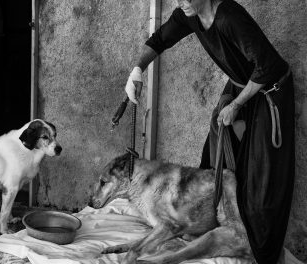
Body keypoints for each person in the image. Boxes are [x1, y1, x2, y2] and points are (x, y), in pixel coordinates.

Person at [124, 0, 295, 263]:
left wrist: (237, 105)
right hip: (240, 88)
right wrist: (136, 71)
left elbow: (268, 66)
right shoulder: (188, 13)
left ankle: (259, 252)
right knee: (216, 161)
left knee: (262, 180)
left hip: (268, 92)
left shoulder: (229, 17)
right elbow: (159, 40)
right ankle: (210, 228)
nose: (182, 2)